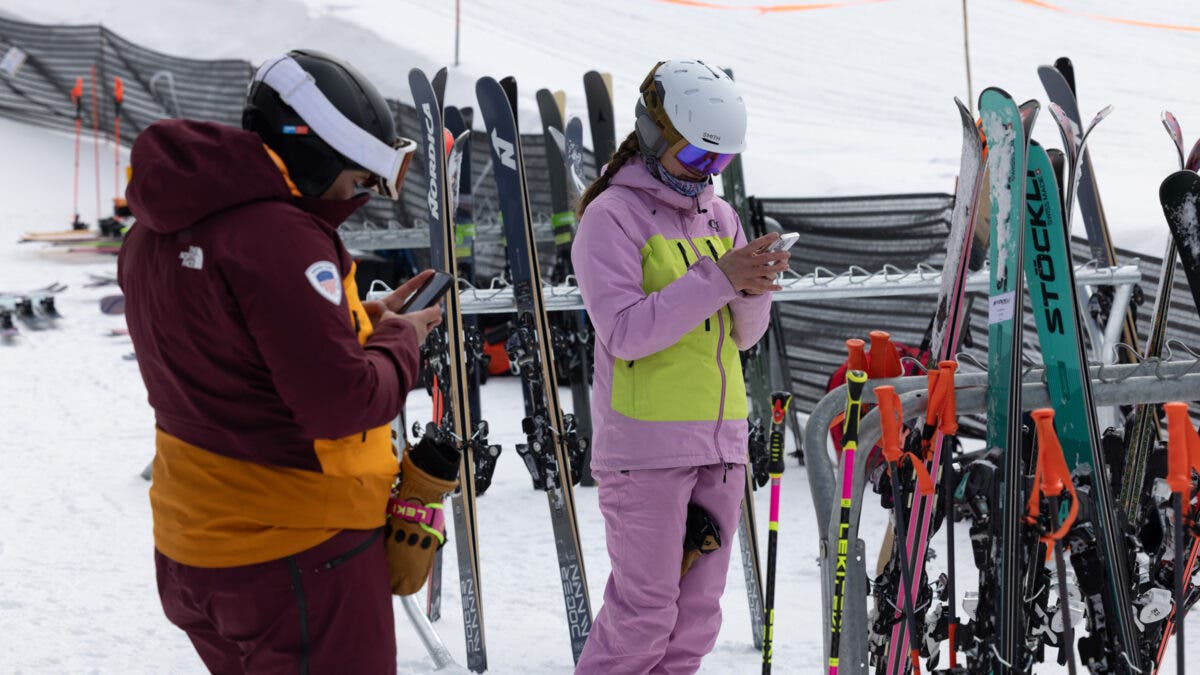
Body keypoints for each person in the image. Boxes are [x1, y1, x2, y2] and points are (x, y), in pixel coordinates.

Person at [118, 50, 444, 673]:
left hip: (195, 545)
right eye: (355, 183)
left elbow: (233, 348)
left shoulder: (153, 231)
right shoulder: (280, 235)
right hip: (297, 551)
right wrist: (401, 342)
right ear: (318, 160)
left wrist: (365, 323)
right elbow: (342, 402)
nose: (357, 203)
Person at [571, 60, 790, 674]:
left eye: (718, 164)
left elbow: (743, 338)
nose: (706, 177)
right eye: (696, 159)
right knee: (642, 617)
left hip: (719, 445)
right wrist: (720, 277)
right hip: (645, 449)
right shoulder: (611, 217)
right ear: (652, 136)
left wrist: (754, 287)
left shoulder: (720, 220)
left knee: (695, 622)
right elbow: (624, 332)